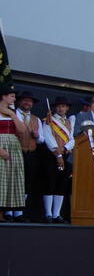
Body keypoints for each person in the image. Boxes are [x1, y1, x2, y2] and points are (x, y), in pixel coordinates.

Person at [41, 96, 74, 223]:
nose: (61, 108)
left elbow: (72, 139)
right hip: (51, 156)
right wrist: (58, 155)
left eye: (64, 106)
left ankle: (56, 214)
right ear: (55, 107)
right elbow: (48, 138)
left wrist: (65, 148)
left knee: (62, 184)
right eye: (59, 106)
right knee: (50, 183)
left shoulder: (69, 122)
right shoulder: (49, 120)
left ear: (67, 108)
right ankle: (48, 214)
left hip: (65, 154)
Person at [0, 83, 28, 221]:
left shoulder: (14, 112)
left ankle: (5, 212)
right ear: (3, 96)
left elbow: (22, 130)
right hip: (1, 145)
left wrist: (11, 113)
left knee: (9, 178)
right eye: (11, 96)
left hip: (13, 145)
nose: (14, 99)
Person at [13, 91, 42, 222]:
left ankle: (19, 213)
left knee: (26, 183)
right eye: (25, 100)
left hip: (30, 154)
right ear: (19, 101)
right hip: (15, 151)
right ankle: (8, 212)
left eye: (30, 101)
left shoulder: (36, 119)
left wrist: (37, 136)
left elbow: (41, 140)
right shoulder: (13, 115)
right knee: (12, 181)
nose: (27, 103)